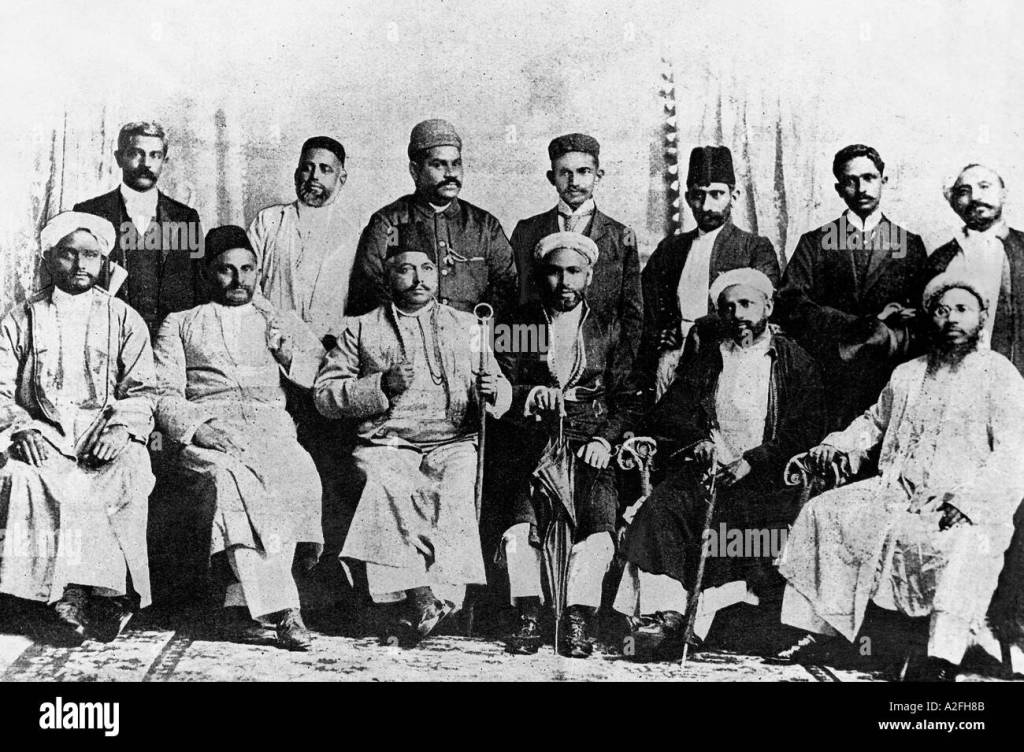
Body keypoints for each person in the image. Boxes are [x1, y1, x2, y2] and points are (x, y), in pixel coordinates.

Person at [776, 272, 1024, 681]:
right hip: (895, 491)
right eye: (941, 310)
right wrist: (837, 445)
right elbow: (873, 422)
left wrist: (969, 503)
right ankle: (818, 632)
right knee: (824, 512)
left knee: (965, 543)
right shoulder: (908, 373)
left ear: (982, 317)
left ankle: (942, 657)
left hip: (959, 501)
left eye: (962, 310)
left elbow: (1015, 450)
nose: (951, 319)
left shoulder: (998, 374)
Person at [314, 223, 511, 647]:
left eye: (427, 268)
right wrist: (380, 385)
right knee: (384, 484)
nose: (418, 278)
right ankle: (420, 597)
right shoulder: (361, 328)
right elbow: (325, 396)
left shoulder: (466, 324)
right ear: (387, 278)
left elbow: (500, 387)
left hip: (453, 442)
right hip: (388, 442)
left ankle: (433, 601)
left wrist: (494, 391)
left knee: (455, 490)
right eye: (405, 269)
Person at [613, 269, 824, 659]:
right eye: (728, 308)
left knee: (732, 533)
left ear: (768, 307)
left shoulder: (794, 361)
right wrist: (700, 442)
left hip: (765, 481)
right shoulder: (711, 355)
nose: (738, 314)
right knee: (661, 508)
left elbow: (806, 429)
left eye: (747, 304)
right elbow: (670, 413)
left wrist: (754, 461)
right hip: (708, 474)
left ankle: (697, 624)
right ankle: (666, 615)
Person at [153, 226, 325, 651]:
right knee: (231, 480)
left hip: (270, 431)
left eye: (247, 269)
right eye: (226, 270)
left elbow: (322, 376)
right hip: (210, 431)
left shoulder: (277, 320)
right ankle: (286, 610)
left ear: (258, 272)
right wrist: (199, 429)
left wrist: (287, 355)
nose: (238, 279)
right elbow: (163, 393)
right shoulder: (181, 323)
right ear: (208, 273)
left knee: (296, 470)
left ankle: (237, 604)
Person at [0, 212, 157, 645]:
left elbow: (144, 389)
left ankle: (109, 595)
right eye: (68, 254)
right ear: (49, 259)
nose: (80, 264)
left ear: (103, 261)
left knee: (131, 466)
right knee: (25, 475)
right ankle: (55, 598)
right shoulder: (21, 319)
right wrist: (21, 429)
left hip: (102, 432)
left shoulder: (123, 318)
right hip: (44, 434)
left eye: (90, 255)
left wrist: (122, 429)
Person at [497, 231, 637, 658]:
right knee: (520, 528)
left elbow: (627, 398)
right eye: (554, 272)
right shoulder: (522, 324)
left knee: (599, 532)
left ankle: (578, 618)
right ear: (541, 276)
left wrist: (604, 440)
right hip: (534, 442)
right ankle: (528, 614)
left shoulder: (608, 327)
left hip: (589, 441)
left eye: (574, 271)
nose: (564, 282)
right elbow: (500, 384)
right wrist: (527, 394)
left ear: (589, 275)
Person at [775, 144, 928, 430]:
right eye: (851, 181)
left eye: (869, 178)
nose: (861, 188)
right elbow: (790, 303)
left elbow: (922, 316)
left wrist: (886, 336)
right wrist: (856, 326)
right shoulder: (815, 242)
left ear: (883, 181)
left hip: (888, 375)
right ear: (838, 189)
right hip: (829, 376)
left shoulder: (909, 244)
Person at [640, 145, 779, 401]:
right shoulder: (670, 248)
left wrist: (701, 329)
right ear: (687, 198)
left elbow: (758, 310)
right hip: (673, 358)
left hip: (730, 357)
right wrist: (663, 332)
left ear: (733, 196)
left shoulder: (755, 248)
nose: (706, 205)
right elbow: (644, 304)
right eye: (698, 195)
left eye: (717, 194)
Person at [347, 118, 517, 319]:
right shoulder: (389, 223)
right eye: (438, 165)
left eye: (456, 164)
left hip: (472, 333)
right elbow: (370, 288)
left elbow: (507, 286)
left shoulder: (485, 225)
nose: (451, 173)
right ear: (415, 171)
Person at [510, 133, 642, 362]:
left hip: (599, 361)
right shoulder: (527, 230)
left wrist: (620, 369)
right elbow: (515, 301)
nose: (574, 182)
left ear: (598, 175)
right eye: (564, 173)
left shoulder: (621, 236)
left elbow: (632, 313)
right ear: (551, 177)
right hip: (540, 356)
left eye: (584, 171)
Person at [74, 121, 203, 335]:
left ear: (165, 161)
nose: (146, 164)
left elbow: (199, 286)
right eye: (136, 154)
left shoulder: (186, 218)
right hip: (107, 334)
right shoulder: (89, 212)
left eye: (155, 155)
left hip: (169, 340)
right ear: (119, 158)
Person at [248, 135, 359, 349]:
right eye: (308, 168)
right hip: (270, 340)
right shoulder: (268, 220)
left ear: (341, 178)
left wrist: (331, 339)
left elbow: (360, 302)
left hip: (330, 348)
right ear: (296, 174)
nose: (314, 176)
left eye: (325, 169)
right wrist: (276, 324)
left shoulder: (352, 234)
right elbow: (248, 282)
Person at [924, 163, 1024, 373]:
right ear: (953, 202)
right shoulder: (940, 259)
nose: (975, 197)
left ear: (1004, 194)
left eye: (984, 186)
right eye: (964, 191)